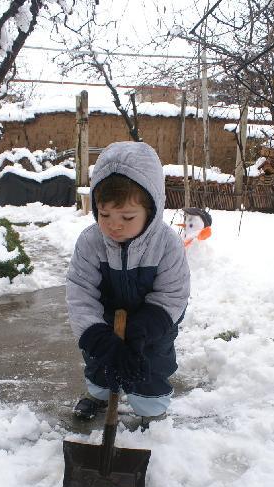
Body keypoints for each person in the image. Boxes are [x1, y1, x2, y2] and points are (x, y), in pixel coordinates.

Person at [66, 141, 190, 427]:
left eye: (127, 217)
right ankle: (99, 395)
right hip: (105, 320)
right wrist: (97, 335)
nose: (114, 225)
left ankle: (151, 410)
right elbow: (80, 292)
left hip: (153, 325)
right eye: (104, 214)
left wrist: (141, 331)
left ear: (152, 209)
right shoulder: (91, 242)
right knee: (99, 362)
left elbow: (173, 293)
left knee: (151, 365)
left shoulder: (166, 245)